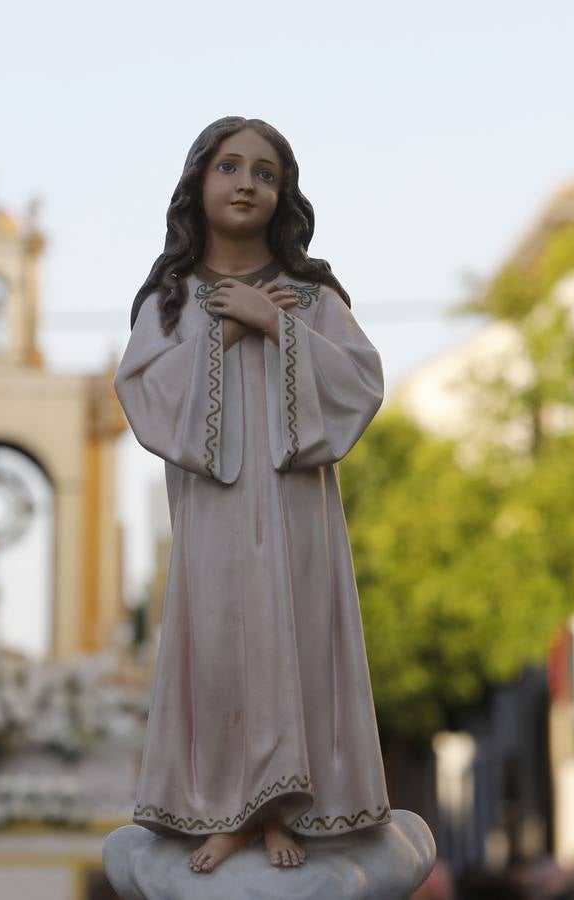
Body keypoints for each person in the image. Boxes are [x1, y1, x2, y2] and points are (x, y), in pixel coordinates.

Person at [115, 115, 389, 875]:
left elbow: (360, 383)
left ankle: (285, 809)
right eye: (229, 167)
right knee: (224, 643)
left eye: (264, 173)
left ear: (283, 193)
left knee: (295, 640)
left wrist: (274, 323)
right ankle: (224, 808)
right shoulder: (168, 302)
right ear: (197, 183)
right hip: (215, 515)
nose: (245, 183)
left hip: (298, 514)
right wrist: (220, 337)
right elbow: (142, 396)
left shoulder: (311, 295)